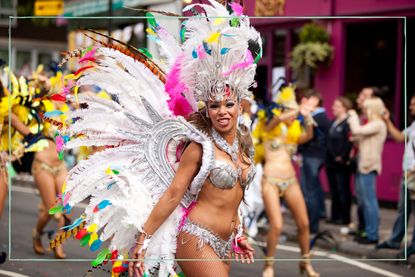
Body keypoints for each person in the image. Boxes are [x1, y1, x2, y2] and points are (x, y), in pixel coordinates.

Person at [50, 1, 263, 276]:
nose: (222, 111)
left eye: (228, 104)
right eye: (214, 106)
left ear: (239, 105)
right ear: (207, 111)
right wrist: (144, 239)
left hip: (223, 243)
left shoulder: (242, 146)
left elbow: (235, 197)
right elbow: (173, 194)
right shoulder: (200, 148)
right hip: (195, 238)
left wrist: (238, 234)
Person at [253, 85, 319, 277]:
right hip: (270, 181)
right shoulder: (267, 126)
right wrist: (300, 108)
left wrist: (306, 116)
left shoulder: (292, 134)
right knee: (277, 225)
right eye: (289, 111)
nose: (292, 116)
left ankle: (305, 263)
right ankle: (268, 265)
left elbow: (309, 135)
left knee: (304, 224)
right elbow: (278, 119)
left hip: (290, 181)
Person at [376, 94, 415, 258]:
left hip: (412, 174)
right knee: (403, 209)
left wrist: (412, 170)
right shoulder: (413, 125)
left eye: (413, 104)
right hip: (407, 175)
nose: (410, 106)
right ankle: (395, 239)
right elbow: (399, 137)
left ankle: (413, 246)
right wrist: (387, 120)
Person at [348, 97, 387, 244]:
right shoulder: (373, 124)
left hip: (368, 166)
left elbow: (357, 130)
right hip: (362, 165)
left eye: (365, 109)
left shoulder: (378, 124)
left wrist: (353, 116)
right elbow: (358, 135)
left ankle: (372, 234)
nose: (363, 112)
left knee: (369, 201)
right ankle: (367, 231)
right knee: (363, 201)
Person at [298, 90, 331, 234]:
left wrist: (306, 114)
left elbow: (308, 134)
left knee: (309, 191)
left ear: (316, 100)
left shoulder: (320, 117)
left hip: (313, 156)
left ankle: (312, 225)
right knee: (314, 189)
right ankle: (316, 219)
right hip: (313, 155)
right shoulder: (318, 115)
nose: (305, 102)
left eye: (308, 99)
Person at [326, 96, 353, 225]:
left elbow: (349, 142)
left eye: (336, 106)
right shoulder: (333, 122)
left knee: (343, 190)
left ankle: (344, 218)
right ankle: (334, 216)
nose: (333, 108)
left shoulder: (348, 122)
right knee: (334, 190)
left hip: (341, 163)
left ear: (344, 108)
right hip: (331, 162)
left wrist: (342, 156)